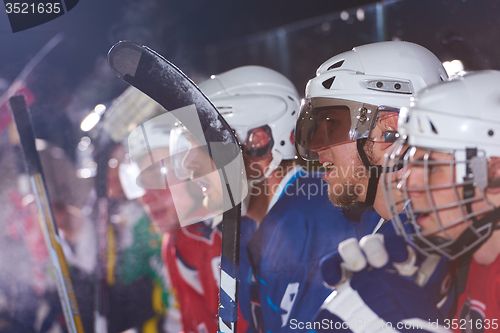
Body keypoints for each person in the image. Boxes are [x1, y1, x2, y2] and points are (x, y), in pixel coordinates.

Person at [187, 66, 381, 332]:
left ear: (259, 140)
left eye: (202, 145)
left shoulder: (308, 218)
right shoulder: (253, 226)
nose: (189, 164)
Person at [293, 41, 456, 330]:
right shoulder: (380, 227)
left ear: (389, 132)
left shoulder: (454, 239)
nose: (318, 149)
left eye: (332, 125)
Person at [382, 70, 500, 331]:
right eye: (410, 164)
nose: (406, 185)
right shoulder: (467, 260)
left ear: (494, 174)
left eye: (432, 168)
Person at [126, 112, 249, 333]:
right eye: (142, 183)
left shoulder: (227, 234)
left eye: (157, 176)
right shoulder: (177, 240)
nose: (146, 197)